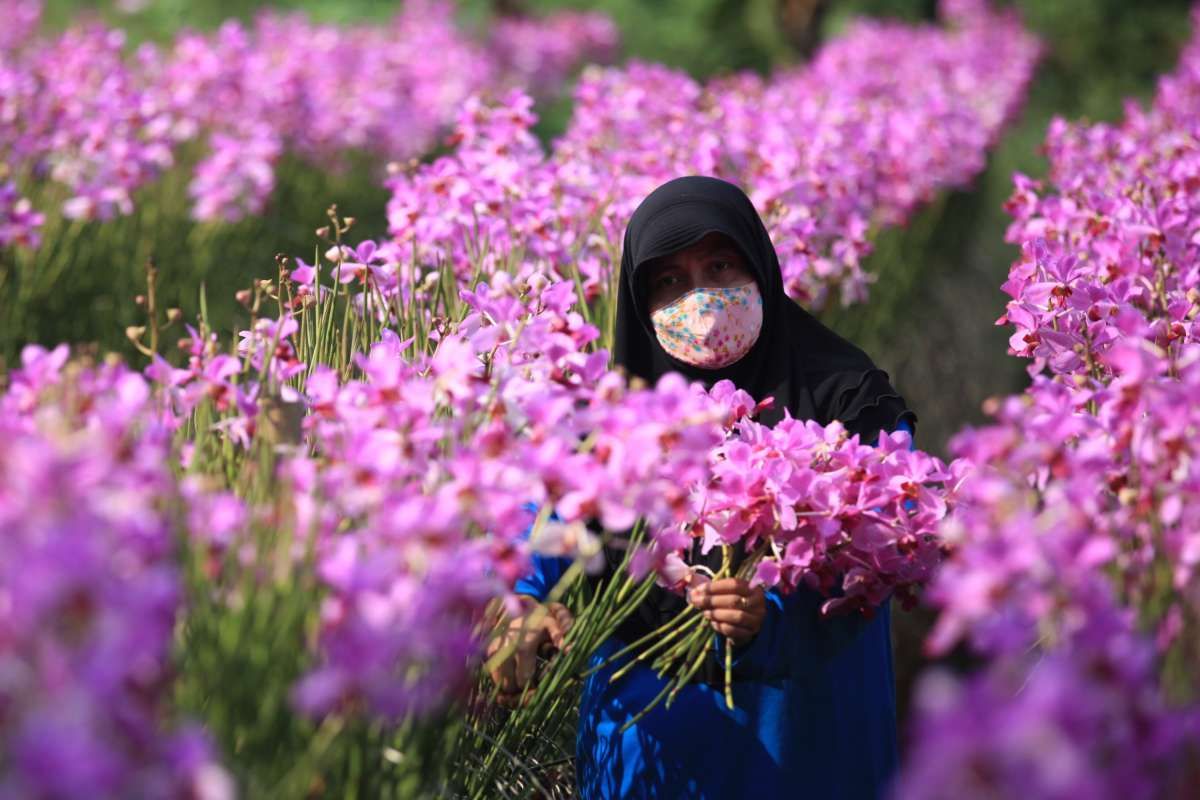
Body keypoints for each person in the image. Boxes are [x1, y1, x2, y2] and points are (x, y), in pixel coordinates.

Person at [489, 176, 917, 799]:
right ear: (639, 302)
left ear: (760, 265)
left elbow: (893, 534)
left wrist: (770, 615)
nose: (702, 300)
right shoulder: (616, 413)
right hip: (650, 749)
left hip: (800, 738)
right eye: (670, 282)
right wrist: (517, 606)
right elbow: (543, 525)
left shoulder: (847, 397)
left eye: (720, 266)